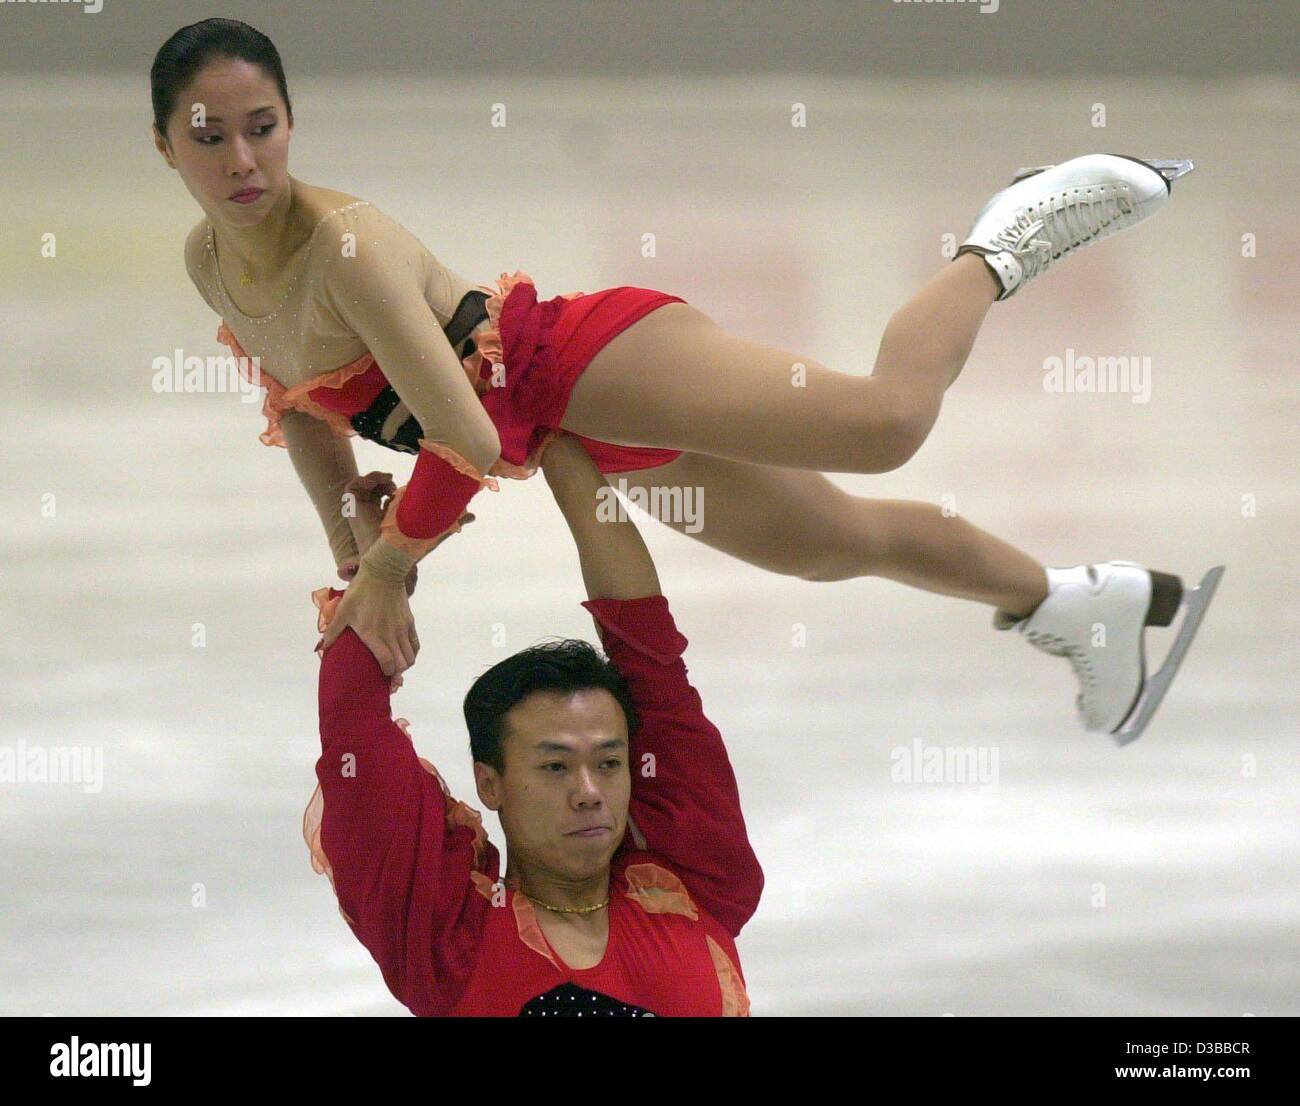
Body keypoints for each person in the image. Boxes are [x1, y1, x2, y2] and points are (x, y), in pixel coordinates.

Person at [154, 18, 1220, 742]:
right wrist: (355, 554)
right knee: (834, 542)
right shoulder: (212, 263)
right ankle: (1077, 605)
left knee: (885, 421)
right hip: (570, 436)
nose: (242, 161)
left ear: (292, 123)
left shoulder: (345, 245)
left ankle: (1006, 236)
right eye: (210, 137)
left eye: (263, 128)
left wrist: (388, 566)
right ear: (166, 146)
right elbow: (299, 406)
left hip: (582, 361)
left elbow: (466, 441)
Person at [303, 434, 762, 1016]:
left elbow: (651, 655)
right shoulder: (446, 940)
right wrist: (378, 579)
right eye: (554, 766)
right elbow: (355, 738)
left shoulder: (692, 882)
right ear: (489, 782)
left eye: (609, 763)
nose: (590, 793)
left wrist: (556, 432)